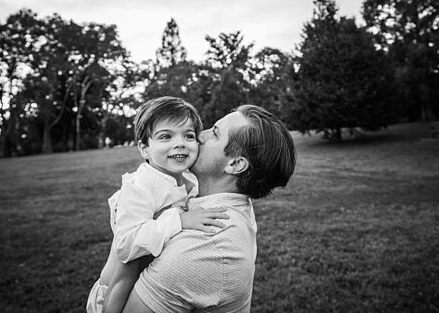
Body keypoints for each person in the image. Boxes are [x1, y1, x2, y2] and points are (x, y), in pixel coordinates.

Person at [122, 105, 296, 313]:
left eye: (214, 133)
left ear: (236, 164)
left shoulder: (200, 247)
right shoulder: (223, 203)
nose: (199, 136)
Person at [87, 97, 229, 313]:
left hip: (150, 285)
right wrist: (179, 220)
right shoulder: (140, 186)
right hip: (114, 294)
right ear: (145, 149)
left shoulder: (188, 179)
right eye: (165, 136)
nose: (179, 143)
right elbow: (125, 244)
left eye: (188, 136)